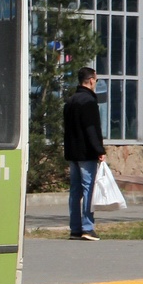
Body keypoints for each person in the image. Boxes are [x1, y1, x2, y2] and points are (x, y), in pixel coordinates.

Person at [64, 66, 105, 241]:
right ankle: (87, 227)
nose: (96, 83)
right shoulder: (89, 101)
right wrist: (99, 150)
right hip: (86, 153)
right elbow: (91, 128)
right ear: (90, 80)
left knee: (75, 191)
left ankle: (75, 229)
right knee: (89, 189)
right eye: (95, 80)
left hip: (72, 152)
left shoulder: (71, 101)